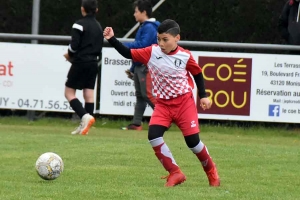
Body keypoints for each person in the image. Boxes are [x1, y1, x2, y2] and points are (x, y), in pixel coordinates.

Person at [103, 19, 220, 187]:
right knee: (154, 136)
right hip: (163, 105)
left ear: (176, 38)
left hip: (184, 104)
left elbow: (197, 73)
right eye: (159, 39)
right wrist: (112, 39)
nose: (161, 43)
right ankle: (175, 173)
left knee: (193, 142)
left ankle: (211, 172)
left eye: (165, 39)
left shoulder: (185, 56)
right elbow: (128, 53)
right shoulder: (152, 52)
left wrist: (203, 95)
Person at [63, 0, 103, 135]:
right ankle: (86, 127)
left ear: (82, 9)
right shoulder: (99, 26)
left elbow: (74, 46)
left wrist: (68, 55)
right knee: (89, 94)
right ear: (96, 10)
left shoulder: (78, 25)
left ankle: (85, 117)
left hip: (80, 62)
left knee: (69, 92)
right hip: (93, 62)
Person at [121, 0, 159, 130]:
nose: (134, 14)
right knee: (140, 96)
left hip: (146, 66)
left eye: (136, 11)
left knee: (147, 95)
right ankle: (136, 123)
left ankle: (166, 118)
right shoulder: (144, 26)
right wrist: (132, 68)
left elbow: (142, 46)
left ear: (144, 12)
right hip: (139, 66)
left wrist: (122, 45)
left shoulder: (149, 27)